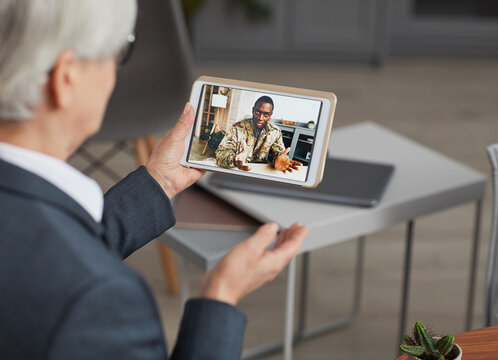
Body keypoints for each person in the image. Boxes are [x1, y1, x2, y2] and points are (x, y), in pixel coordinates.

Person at [0, 1, 307, 360]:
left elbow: (44, 253)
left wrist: (159, 181)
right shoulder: (101, 298)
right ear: (66, 77)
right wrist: (219, 298)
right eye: (121, 48)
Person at [215, 96, 303, 173]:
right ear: (253, 110)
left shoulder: (275, 131)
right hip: (237, 170)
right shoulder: (237, 128)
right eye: (257, 112)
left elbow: (278, 153)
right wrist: (234, 160)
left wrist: (277, 159)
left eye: (266, 114)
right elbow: (221, 153)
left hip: (258, 172)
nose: (260, 118)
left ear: (270, 115)